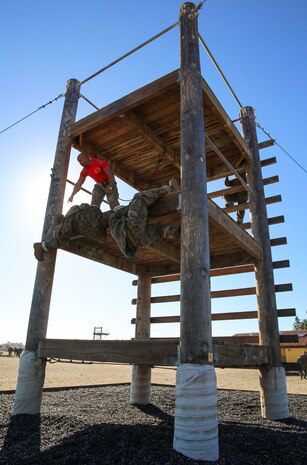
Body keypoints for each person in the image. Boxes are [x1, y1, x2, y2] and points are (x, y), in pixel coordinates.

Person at [109, 179, 180, 260]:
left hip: (139, 242)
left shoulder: (116, 227)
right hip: (132, 228)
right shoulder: (114, 217)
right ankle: (168, 189)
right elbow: (126, 209)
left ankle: (171, 232)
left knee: (158, 230)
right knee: (139, 197)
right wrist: (132, 206)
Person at [33, 203, 110, 261]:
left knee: (66, 223)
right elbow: (102, 238)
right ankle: (42, 245)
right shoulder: (98, 230)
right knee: (61, 241)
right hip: (70, 227)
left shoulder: (96, 210)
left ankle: (61, 219)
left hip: (73, 210)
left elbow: (84, 205)